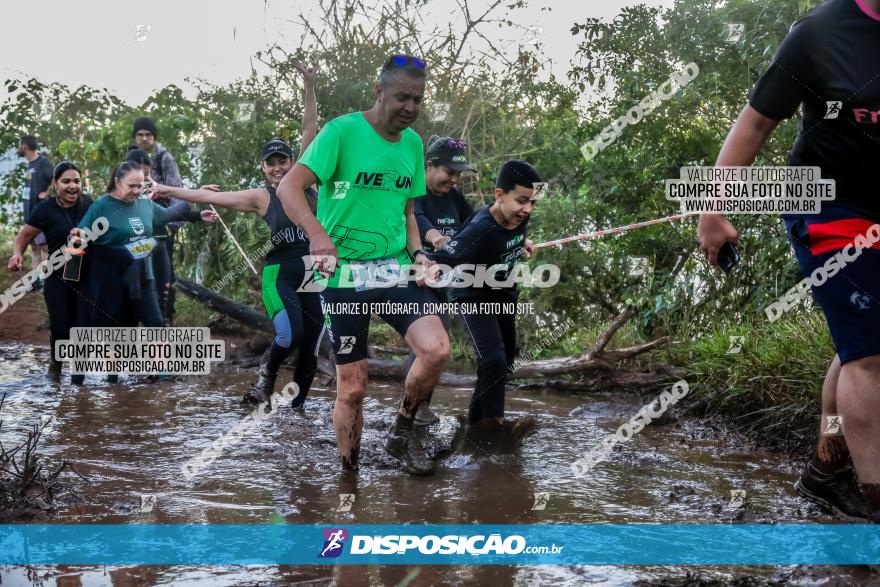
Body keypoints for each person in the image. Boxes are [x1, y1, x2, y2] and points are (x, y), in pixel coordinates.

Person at [697, 0, 880, 523]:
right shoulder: (821, 32)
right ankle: (875, 500)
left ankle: (826, 469)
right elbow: (755, 124)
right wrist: (714, 207)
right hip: (825, 203)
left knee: (858, 344)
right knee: (870, 354)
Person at [276, 54, 450, 476]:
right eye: (402, 97)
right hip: (344, 274)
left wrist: (419, 255)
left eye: (418, 99)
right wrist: (318, 236)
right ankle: (348, 477)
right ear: (379, 91)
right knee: (352, 387)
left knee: (437, 350)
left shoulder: (412, 144)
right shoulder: (342, 132)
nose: (410, 107)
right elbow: (289, 187)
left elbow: (408, 214)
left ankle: (401, 433)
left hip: (392, 268)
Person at [149, 61, 323, 408]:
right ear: (263, 167)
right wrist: (168, 188)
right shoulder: (261, 198)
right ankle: (265, 379)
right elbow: (211, 197)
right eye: (270, 163)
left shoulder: (308, 183)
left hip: (314, 276)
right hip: (280, 276)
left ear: (293, 162)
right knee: (291, 334)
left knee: (313, 342)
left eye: (282, 161)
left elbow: (310, 129)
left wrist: (309, 85)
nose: (277, 168)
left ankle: (297, 411)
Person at [428, 160, 540, 439]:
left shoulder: (520, 216)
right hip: (473, 295)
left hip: (504, 294)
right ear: (499, 196)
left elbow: (511, 238)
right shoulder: (480, 226)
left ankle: (476, 423)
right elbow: (447, 256)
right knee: (493, 360)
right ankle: (493, 426)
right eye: (522, 201)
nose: (527, 209)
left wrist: (521, 244)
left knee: (506, 359)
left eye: (533, 203)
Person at [73, 161, 215, 335]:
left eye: (140, 186)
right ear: (117, 182)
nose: (136, 191)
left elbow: (169, 214)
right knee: (119, 333)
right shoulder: (102, 207)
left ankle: (161, 363)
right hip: (111, 282)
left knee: (157, 327)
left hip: (143, 277)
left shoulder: (144, 204)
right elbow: (79, 237)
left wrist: (197, 195)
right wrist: (77, 239)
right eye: (131, 186)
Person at [406, 135, 476, 426]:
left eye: (458, 174)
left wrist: (510, 238)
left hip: (439, 283)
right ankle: (411, 410)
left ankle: (418, 409)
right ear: (430, 165)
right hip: (413, 278)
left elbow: (476, 224)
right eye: (449, 172)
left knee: (438, 349)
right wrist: (435, 236)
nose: (455, 180)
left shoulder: (453, 197)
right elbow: (415, 217)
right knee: (427, 347)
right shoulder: (415, 191)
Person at [7, 162, 92, 383]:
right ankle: (55, 369)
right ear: (55, 184)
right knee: (60, 327)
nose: (73, 186)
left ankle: (78, 380)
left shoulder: (88, 204)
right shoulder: (45, 209)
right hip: (57, 276)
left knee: (81, 327)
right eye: (66, 181)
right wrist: (17, 254)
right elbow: (24, 237)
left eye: (76, 181)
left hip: (86, 276)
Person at [133, 117, 186, 324]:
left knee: (165, 271)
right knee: (141, 268)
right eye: (140, 135)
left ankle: (166, 315)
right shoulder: (133, 157)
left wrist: (174, 223)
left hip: (162, 221)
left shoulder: (164, 157)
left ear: (154, 137)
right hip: (137, 222)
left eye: (148, 135)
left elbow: (176, 189)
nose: (144, 138)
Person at [18, 135, 54, 285]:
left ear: (25, 147)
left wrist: (47, 193)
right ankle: (36, 281)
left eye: (20, 145)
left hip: (41, 214)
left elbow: (56, 179)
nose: (19, 148)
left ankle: (49, 281)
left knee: (45, 248)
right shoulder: (29, 164)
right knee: (34, 249)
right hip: (29, 214)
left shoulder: (43, 162)